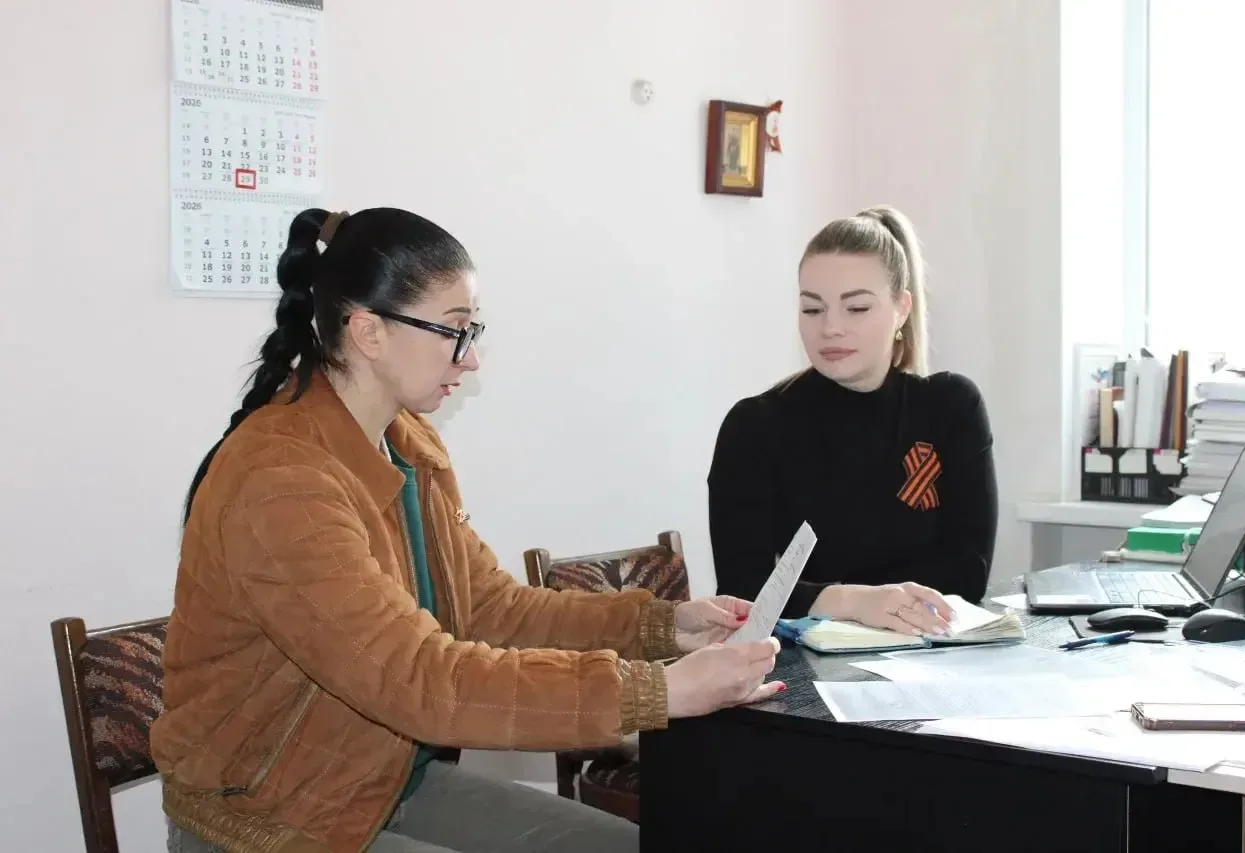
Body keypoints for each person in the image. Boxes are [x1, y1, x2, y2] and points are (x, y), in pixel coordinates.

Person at [151, 207, 784, 853]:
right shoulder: (280, 481)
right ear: (368, 332)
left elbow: (491, 609)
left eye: (472, 330)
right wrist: (660, 690)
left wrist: (662, 627)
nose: (472, 357)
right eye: (453, 330)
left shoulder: (408, 444)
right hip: (268, 816)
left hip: (384, 781)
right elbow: (420, 678)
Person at [707, 205, 997, 637]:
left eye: (856, 308)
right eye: (812, 309)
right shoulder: (754, 427)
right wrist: (855, 602)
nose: (831, 328)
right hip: (806, 663)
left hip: (932, 650)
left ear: (901, 308)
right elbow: (743, 593)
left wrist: (819, 593)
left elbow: (968, 576)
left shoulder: (951, 407)